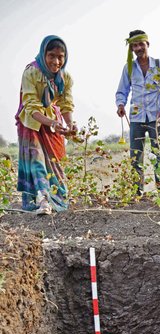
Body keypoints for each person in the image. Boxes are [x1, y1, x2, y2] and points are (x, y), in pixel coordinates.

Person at [15, 35, 78, 214]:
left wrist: (70, 124)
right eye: (51, 56)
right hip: (31, 123)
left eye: (60, 57)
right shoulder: (32, 72)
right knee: (36, 161)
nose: (56, 61)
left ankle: (55, 197)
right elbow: (31, 106)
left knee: (53, 161)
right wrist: (51, 122)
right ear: (44, 54)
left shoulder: (65, 78)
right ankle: (42, 200)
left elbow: (66, 104)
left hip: (52, 121)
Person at [116, 30, 160, 196]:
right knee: (136, 156)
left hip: (157, 117)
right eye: (135, 45)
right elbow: (122, 91)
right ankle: (136, 192)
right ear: (132, 48)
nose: (139, 48)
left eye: (141, 44)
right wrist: (120, 104)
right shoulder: (129, 67)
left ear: (148, 44)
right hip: (136, 117)